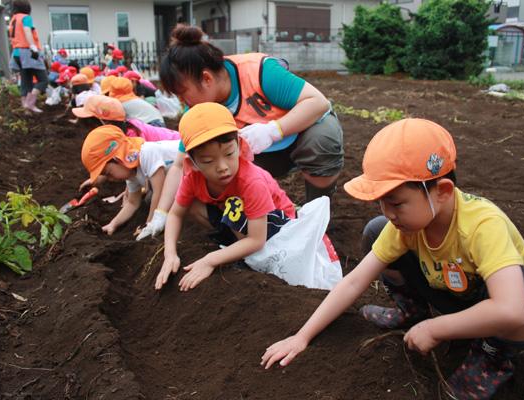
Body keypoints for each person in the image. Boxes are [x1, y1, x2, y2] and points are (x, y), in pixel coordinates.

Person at [260, 118, 524, 400]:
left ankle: (491, 358)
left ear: (443, 192)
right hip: (451, 293)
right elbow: (354, 282)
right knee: (376, 231)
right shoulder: (407, 226)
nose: (388, 212)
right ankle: (412, 311)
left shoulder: (483, 226)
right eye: (381, 202)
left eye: (396, 202)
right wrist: (302, 336)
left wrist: (437, 329)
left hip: (495, 312)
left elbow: (510, 310)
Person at [155, 24, 343, 226]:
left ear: (206, 79)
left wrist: (273, 131)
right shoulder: (196, 111)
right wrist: (161, 212)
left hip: (300, 136)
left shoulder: (258, 71)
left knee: (322, 140)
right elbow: (179, 164)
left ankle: (316, 215)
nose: (183, 102)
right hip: (262, 157)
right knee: (208, 168)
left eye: (183, 93)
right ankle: (270, 215)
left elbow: (317, 103)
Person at [154, 102, 296, 292]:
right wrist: (170, 254)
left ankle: (244, 255)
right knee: (193, 205)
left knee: (235, 209)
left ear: (239, 145)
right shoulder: (192, 177)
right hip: (240, 219)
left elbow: (257, 239)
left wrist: (210, 260)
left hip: (277, 229)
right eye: (208, 161)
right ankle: (233, 244)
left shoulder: (251, 181)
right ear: (193, 162)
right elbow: (175, 214)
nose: (223, 167)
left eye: (229, 154)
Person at [75, 96, 180, 239]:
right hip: (179, 181)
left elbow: (159, 192)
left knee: (151, 198)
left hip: (196, 163)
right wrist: (113, 224)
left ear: (118, 158)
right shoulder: (131, 173)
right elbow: (132, 203)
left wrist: (149, 224)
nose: (109, 178)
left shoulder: (147, 153)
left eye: (107, 172)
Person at [8, 0, 47, 113]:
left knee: (26, 80)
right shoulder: (25, 18)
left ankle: (25, 108)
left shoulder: (13, 19)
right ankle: (30, 104)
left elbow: (11, 37)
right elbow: (27, 31)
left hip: (16, 53)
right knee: (43, 79)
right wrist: (33, 46)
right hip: (27, 52)